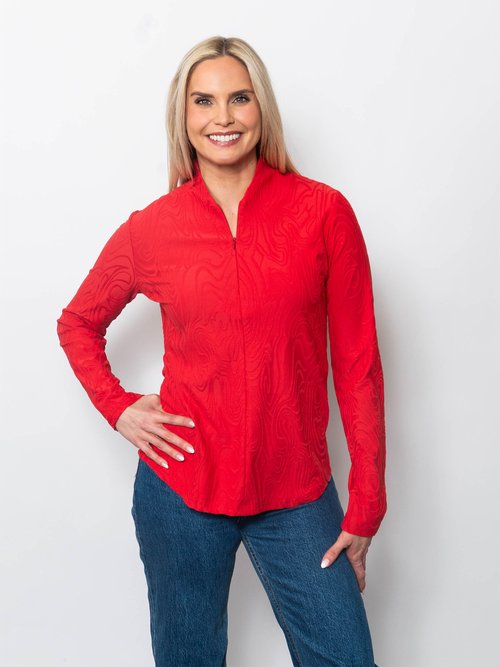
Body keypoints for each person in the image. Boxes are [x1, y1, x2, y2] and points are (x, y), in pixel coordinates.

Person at [57, 35, 386, 667]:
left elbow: (358, 364)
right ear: (183, 117)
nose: (223, 117)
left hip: (295, 490)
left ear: (262, 109)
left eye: (239, 98)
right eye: (203, 101)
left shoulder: (323, 213)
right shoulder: (152, 228)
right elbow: (77, 323)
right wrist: (118, 407)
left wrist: (367, 502)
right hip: (180, 487)